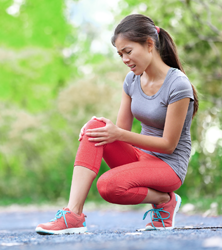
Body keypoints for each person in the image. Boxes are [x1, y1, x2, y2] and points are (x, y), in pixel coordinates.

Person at [35, 13, 198, 235]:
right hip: (140, 158)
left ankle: (164, 199)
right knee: (95, 125)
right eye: (120, 54)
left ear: (149, 44)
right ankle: (73, 215)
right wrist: (102, 128)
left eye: (128, 52)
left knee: (108, 186)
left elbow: (168, 145)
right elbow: (121, 131)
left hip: (169, 166)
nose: (124, 59)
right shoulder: (131, 80)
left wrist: (117, 134)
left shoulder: (178, 84)